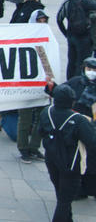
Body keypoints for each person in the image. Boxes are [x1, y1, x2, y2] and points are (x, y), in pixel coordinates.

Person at [39, 84, 96, 222]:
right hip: (71, 164)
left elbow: (40, 131)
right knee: (64, 201)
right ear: (72, 101)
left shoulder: (46, 112)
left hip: (51, 159)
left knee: (62, 194)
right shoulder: (78, 119)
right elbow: (92, 142)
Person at [16, 9, 49, 164]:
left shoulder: (44, 39)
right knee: (25, 119)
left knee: (41, 119)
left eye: (44, 21)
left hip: (41, 84)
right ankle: (23, 148)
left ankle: (34, 147)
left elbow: (46, 60)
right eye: (39, 21)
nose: (42, 23)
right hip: (25, 85)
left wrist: (50, 78)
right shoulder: (25, 38)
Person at [57, 0, 96, 79]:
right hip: (84, 37)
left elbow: (59, 18)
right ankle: (78, 83)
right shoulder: (85, 0)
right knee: (81, 62)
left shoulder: (68, 0)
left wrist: (66, 33)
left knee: (71, 61)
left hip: (71, 36)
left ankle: (69, 81)